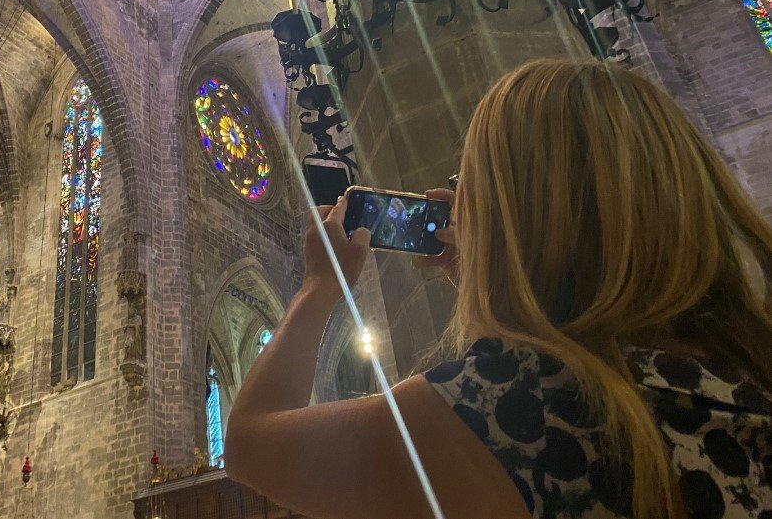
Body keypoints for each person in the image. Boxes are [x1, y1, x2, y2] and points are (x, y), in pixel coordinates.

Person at [225, 59, 772, 519]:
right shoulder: (744, 370)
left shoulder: (509, 405)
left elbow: (252, 443)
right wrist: (493, 276)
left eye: (469, 185)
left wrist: (320, 285)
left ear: (521, 214)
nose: (457, 201)